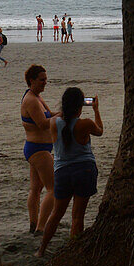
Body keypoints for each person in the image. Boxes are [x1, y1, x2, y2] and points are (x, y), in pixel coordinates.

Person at [37, 88, 103, 256]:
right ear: (80, 105)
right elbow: (100, 131)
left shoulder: (54, 122)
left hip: (62, 172)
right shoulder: (85, 123)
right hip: (84, 169)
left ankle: (41, 250)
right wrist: (96, 110)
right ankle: (75, 253)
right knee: (77, 216)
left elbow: (61, 118)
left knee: (56, 214)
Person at [21, 64, 59, 234]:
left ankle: (33, 223)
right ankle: (41, 226)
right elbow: (43, 124)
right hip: (37, 149)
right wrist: (63, 115)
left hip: (38, 148)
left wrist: (65, 111)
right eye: (42, 80)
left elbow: (50, 115)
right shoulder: (30, 100)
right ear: (32, 80)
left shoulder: (37, 97)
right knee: (54, 189)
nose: (45, 83)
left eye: (46, 80)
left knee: (36, 189)